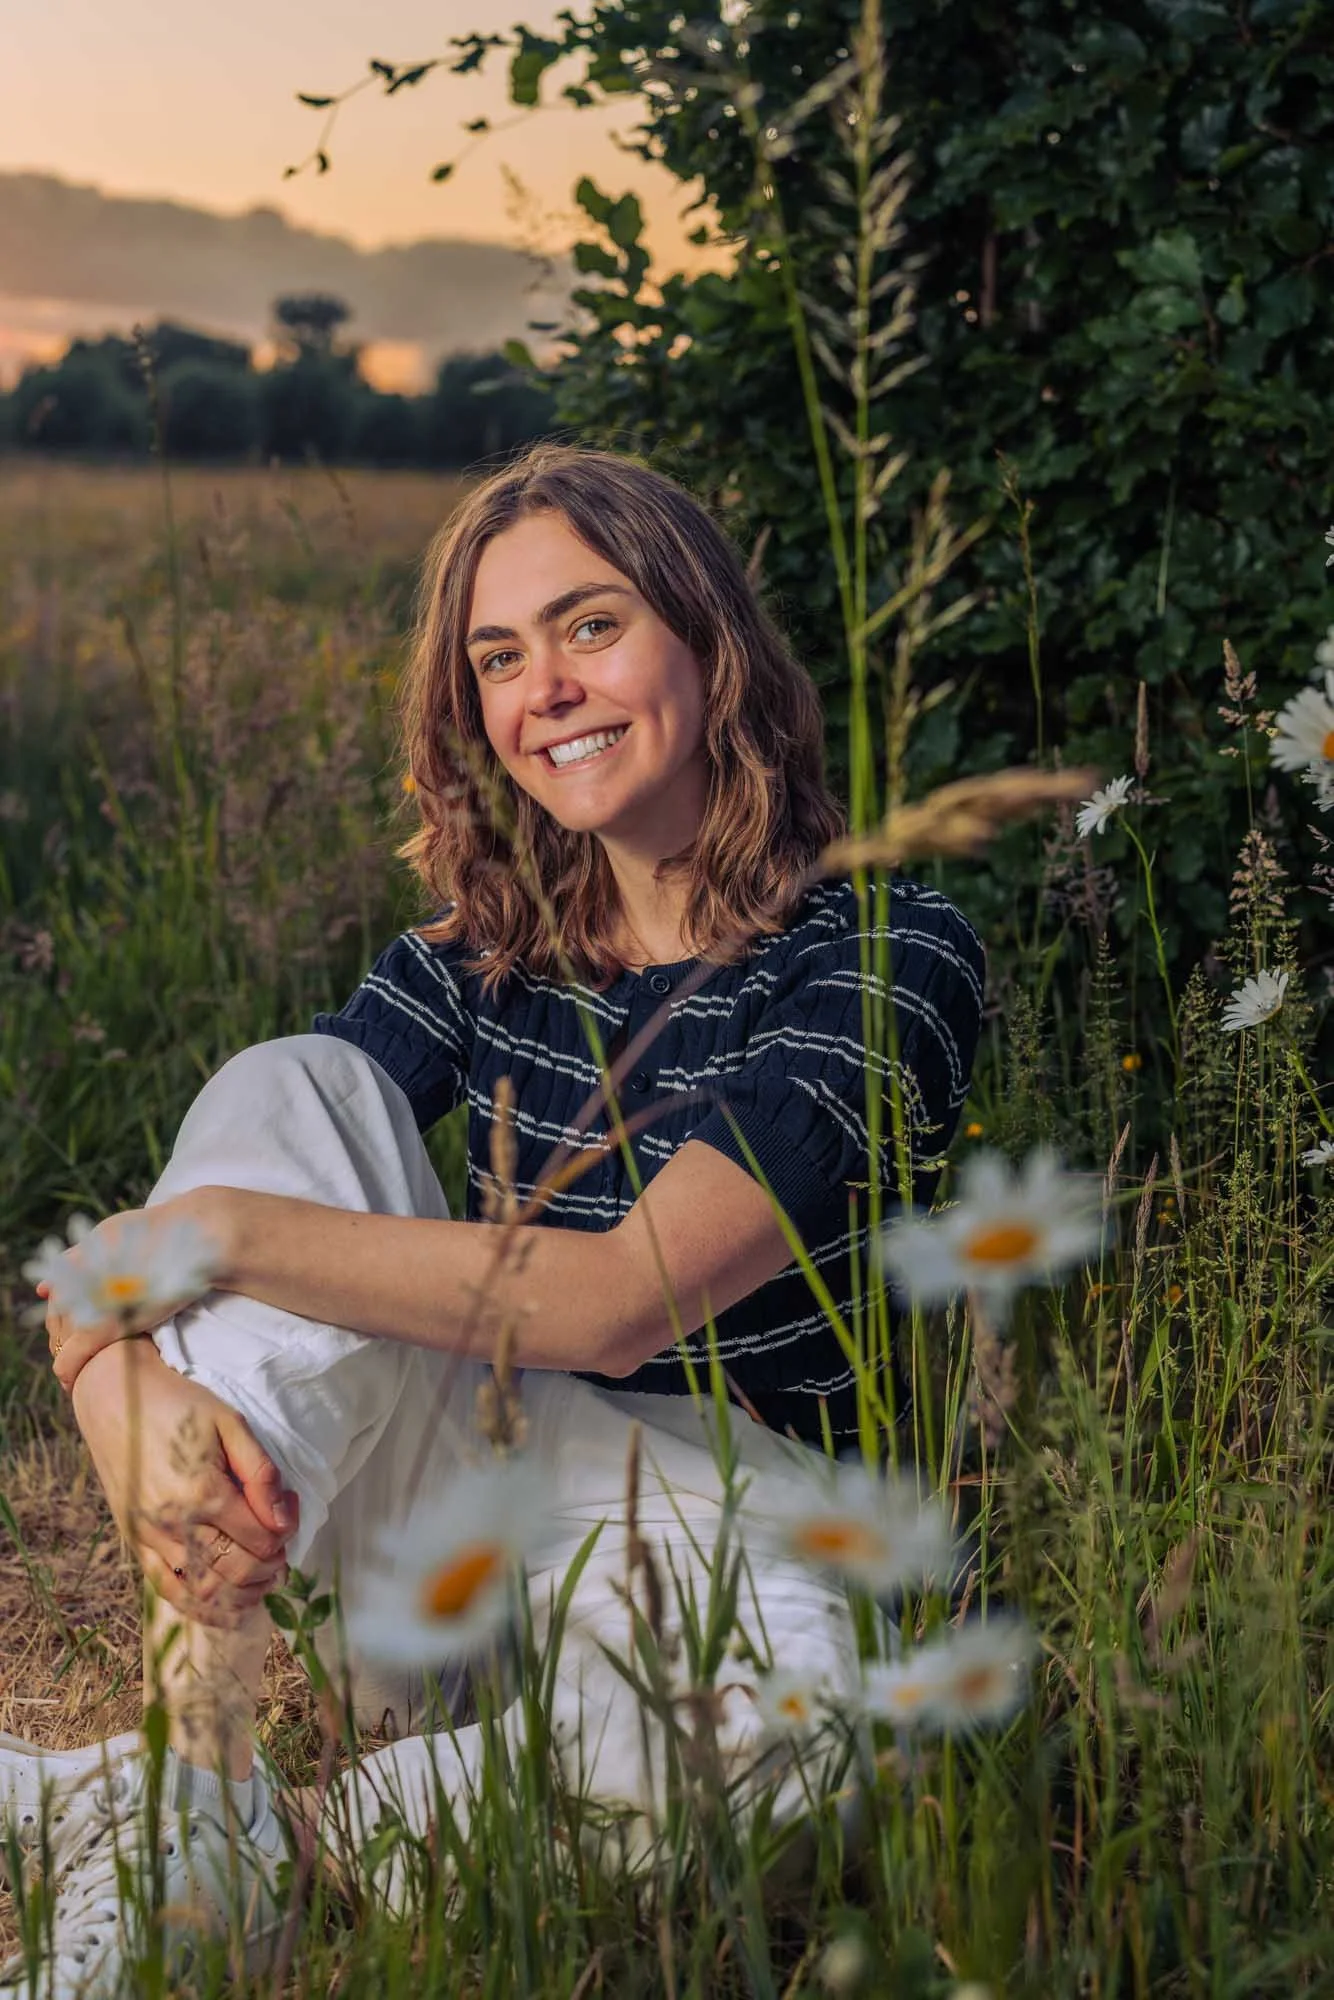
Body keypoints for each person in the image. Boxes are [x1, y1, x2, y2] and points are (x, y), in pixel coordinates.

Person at [2, 446, 984, 1993]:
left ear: (703, 637)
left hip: (729, 1512)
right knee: (300, 1081)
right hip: (425, 1516)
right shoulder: (484, 950)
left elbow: (616, 1303)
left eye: (590, 627)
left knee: (808, 1732)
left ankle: (280, 1835)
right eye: (498, 656)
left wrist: (215, 1242)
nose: (546, 689)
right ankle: (198, 1773)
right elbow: (209, 1204)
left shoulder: (876, 943)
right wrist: (114, 1393)